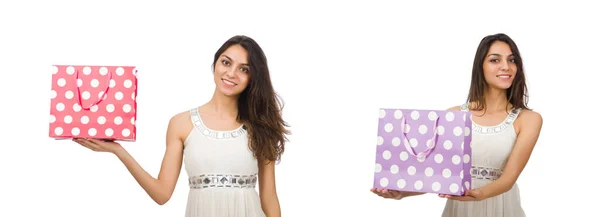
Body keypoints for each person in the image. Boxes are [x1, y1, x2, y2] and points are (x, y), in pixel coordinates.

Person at [73, 35, 291, 217]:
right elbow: (162, 194)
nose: (231, 73)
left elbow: (269, 198)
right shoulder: (181, 124)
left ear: (253, 77)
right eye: (226, 62)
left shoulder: (261, 127)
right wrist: (118, 151)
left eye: (244, 69)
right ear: (215, 64)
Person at [371, 33, 543, 217]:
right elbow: (439, 176)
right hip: (460, 210)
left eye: (512, 60)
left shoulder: (528, 119)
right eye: (495, 60)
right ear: (480, 67)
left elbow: (508, 179)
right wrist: (401, 193)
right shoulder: (453, 115)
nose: (506, 67)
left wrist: (478, 194)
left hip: (502, 209)